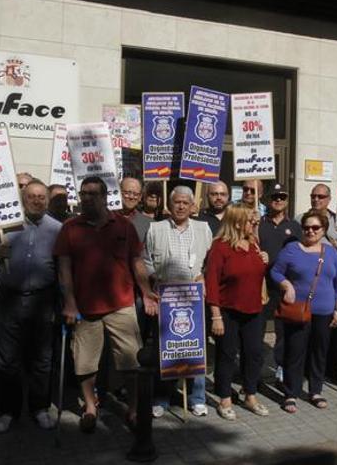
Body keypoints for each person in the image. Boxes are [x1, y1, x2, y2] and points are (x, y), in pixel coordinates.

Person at [54, 176, 156, 433]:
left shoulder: (123, 226)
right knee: (85, 364)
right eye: (83, 194)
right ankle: (90, 407)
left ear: (103, 196)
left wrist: (146, 292)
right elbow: (64, 268)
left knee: (131, 362)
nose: (86, 198)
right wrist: (69, 303)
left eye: (92, 194)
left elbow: (137, 262)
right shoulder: (70, 228)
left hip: (122, 304)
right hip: (86, 308)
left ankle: (132, 410)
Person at [0, 180, 63, 432]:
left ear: (47, 200)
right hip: (10, 299)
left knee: (41, 359)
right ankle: (8, 411)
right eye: (31, 196)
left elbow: (64, 267)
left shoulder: (58, 229)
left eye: (41, 197)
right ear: (22, 198)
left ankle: (39, 408)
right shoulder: (6, 226)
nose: (37, 201)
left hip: (43, 299)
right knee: (7, 360)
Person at [145, 186, 213, 417]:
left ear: (193, 206)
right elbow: (145, 261)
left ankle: (197, 398)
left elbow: (211, 260)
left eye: (186, 202)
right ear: (170, 204)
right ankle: (162, 399)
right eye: (177, 202)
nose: (181, 206)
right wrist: (156, 278)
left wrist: (203, 275)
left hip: (194, 298)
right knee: (166, 349)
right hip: (166, 299)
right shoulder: (156, 229)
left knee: (195, 348)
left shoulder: (203, 228)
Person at [270, 210, 337, 413]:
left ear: (323, 230)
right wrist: (286, 284)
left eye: (315, 228)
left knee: (319, 353)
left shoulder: (330, 252)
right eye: (306, 227)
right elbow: (275, 271)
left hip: (325, 311)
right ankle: (290, 393)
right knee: (295, 353)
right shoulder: (292, 249)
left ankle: (315, 390)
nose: (310, 231)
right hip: (297, 311)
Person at [205, 205, 270, 420]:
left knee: (254, 354)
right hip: (228, 311)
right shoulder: (220, 247)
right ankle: (224, 397)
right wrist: (215, 315)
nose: (254, 224)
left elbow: (256, 276)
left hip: (254, 310)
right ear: (237, 222)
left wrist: (264, 260)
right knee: (226, 354)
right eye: (250, 221)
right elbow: (212, 283)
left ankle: (250, 394)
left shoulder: (254, 244)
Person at [258, 183, 302, 383]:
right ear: (268, 199)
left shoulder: (294, 227)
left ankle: (281, 367)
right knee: (256, 330)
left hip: (284, 286)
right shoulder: (258, 223)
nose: (278, 200)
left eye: (282, 197)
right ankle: (254, 368)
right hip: (261, 286)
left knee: (282, 331)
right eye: (275, 196)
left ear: (287, 200)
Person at [118, 176, 152, 243]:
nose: (131, 197)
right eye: (127, 193)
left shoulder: (149, 225)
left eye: (135, 194)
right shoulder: (105, 220)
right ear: (118, 193)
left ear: (140, 197)